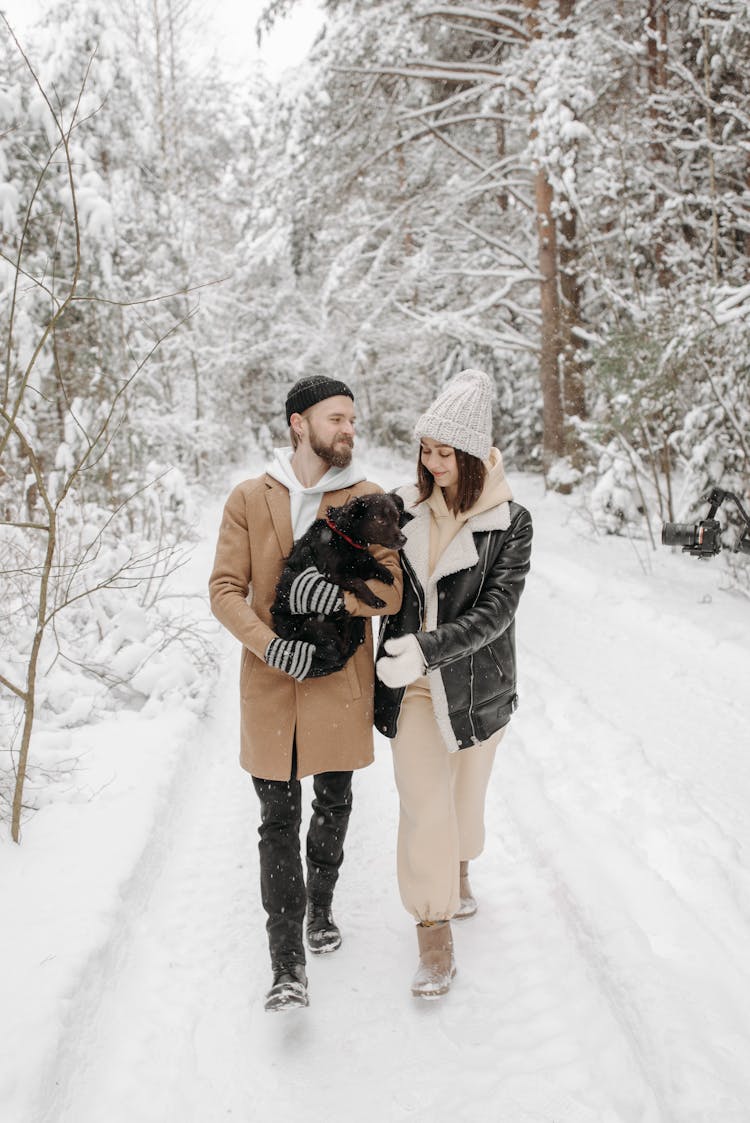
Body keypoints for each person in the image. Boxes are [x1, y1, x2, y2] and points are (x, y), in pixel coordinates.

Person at [209, 375, 402, 1012]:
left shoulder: (369, 498)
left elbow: (395, 592)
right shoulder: (247, 497)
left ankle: (320, 906)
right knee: (275, 822)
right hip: (269, 684)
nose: (349, 430)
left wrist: (342, 598)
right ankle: (286, 963)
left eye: (352, 419)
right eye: (336, 419)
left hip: (339, 682)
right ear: (299, 423)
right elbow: (225, 589)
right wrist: (267, 644)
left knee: (334, 802)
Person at [374, 369, 532, 999]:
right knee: (424, 804)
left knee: (464, 803)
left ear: (471, 455)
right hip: (410, 686)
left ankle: (460, 867)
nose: (431, 464)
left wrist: (427, 649)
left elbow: (496, 613)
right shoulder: (401, 508)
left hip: (474, 683)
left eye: (444, 453)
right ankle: (433, 930)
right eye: (425, 450)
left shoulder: (510, 522)